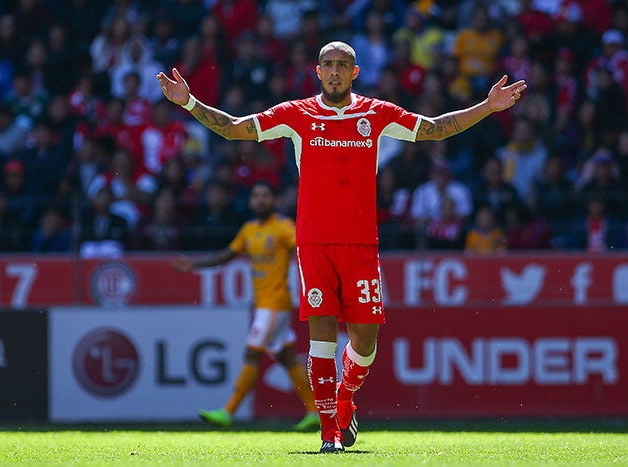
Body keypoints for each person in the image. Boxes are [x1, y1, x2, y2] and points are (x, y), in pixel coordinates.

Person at [157, 40, 526, 453]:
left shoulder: (377, 113)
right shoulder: (296, 114)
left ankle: (347, 397)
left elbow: (436, 127)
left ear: (354, 72)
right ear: (317, 71)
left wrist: (487, 107)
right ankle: (329, 433)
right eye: (327, 64)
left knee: (366, 342)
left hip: (361, 245)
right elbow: (232, 127)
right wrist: (189, 102)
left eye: (342, 65)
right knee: (322, 340)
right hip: (314, 243)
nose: (334, 71)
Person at [171, 180, 320, 432]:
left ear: (274, 200)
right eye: (255, 196)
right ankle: (315, 411)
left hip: (275, 303)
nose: (260, 200)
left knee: (252, 353)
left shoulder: (283, 228)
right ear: (250, 201)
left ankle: (228, 412)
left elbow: (304, 249)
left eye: (265, 195)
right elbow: (227, 255)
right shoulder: (249, 229)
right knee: (285, 357)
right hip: (265, 305)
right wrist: (193, 265)